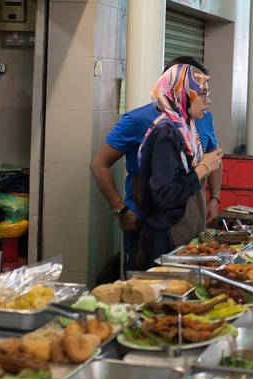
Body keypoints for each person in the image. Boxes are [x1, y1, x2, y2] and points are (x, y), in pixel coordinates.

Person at [90, 56, 221, 271]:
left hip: (187, 222)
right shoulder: (157, 127)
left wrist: (213, 198)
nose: (207, 100)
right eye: (201, 92)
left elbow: (213, 156)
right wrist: (121, 210)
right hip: (153, 223)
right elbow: (100, 165)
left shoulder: (198, 118)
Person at [137, 64, 223, 268]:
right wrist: (204, 168)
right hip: (166, 237)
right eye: (201, 94)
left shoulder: (185, 127)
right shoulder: (166, 132)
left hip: (185, 233)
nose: (207, 100)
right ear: (181, 94)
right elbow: (166, 193)